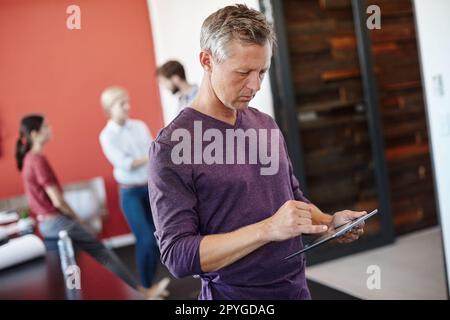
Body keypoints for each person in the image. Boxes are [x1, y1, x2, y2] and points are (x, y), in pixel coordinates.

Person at [147, 4, 366, 300]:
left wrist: (328, 223)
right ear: (206, 60)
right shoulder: (172, 146)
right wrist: (268, 229)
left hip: (296, 290)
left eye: (262, 71)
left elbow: (292, 200)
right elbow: (178, 256)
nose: (256, 85)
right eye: (243, 72)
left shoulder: (264, 124)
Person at [16, 114, 169, 299]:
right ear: (35, 134)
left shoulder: (29, 159)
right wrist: (76, 218)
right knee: (102, 253)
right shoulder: (37, 160)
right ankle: (142, 293)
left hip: (47, 223)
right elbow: (57, 200)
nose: (50, 128)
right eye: (46, 126)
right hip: (57, 222)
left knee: (77, 263)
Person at [99, 86, 168, 293]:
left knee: (158, 240)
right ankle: (145, 289)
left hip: (151, 189)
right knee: (145, 240)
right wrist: (153, 154)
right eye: (122, 104)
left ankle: (150, 286)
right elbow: (126, 163)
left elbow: (152, 153)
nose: (128, 106)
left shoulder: (139, 126)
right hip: (130, 194)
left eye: (127, 101)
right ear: (109, 108)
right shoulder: (107, 136)